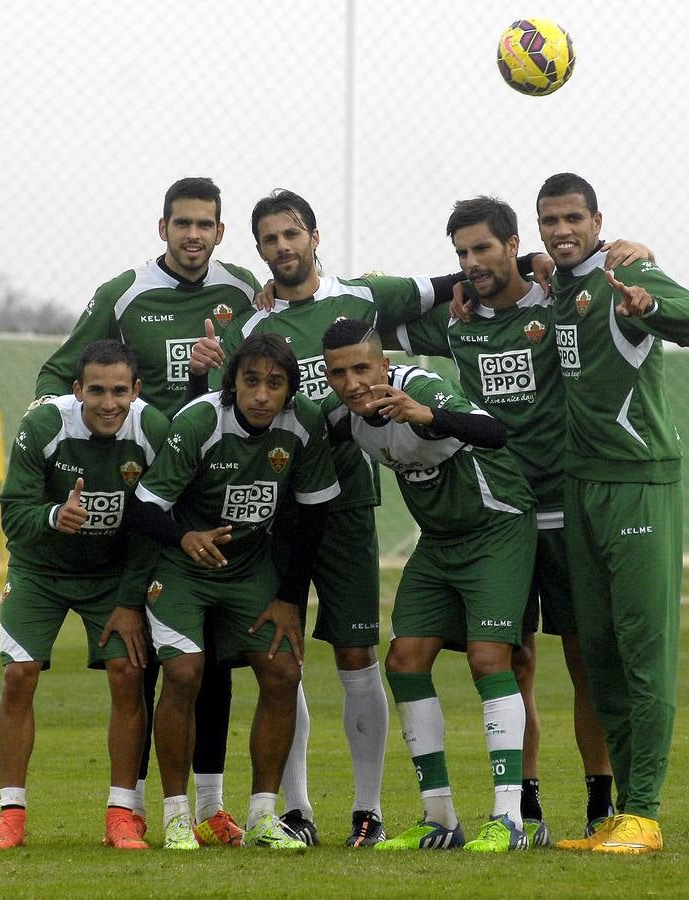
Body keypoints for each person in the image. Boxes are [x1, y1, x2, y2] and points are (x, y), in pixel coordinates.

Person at [188, 189, 511, 846]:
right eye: (270, 239)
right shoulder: (247, 331)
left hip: (347, 506)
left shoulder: (360, 298)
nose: (283, 247)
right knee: (280, 657)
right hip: (274, 512)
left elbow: (461, 278)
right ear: (257, 251)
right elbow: (220, 414)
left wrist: (537, 261)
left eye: (292, 234)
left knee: (358, 653)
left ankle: (368, 811)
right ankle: (298, 809)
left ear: (313, 235)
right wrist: (200, 378)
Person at [389, 196, 654, 845]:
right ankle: (526, 808)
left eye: (483, 248)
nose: (473, 264)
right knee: (515, 659)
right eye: (462, 254)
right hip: (502, 514)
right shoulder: (455, 324)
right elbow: (373, 325)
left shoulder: (553, 297)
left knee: (584, 659)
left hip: (566, 505)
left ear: (512, 245)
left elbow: (596, 272)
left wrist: (635, 253)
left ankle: (600, 803)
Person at [33, 177, 258, 847]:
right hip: (145, 496)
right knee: (145, 658)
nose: (193, 234)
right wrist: (58, 448)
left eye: (206, 224)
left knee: (212, 661)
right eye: (182, 222)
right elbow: (56, 377)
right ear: (162, 228)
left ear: (220, 233)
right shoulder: (122, 294)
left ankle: (212, 805)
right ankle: (126, 808)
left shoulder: (243, 289)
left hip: (212, 492)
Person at [535, 172, 689, 855]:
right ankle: (617, 812)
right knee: (600, 655)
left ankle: (645, 811)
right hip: (580, 487)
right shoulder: (555, 285)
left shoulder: (627, 271)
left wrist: (648, 296)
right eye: (548, 220)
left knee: (644, 651)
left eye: (571, 218)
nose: (560, 230)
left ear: (597, 220)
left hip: (638, 483)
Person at [320, 318, 537, 854]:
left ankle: (509, 818)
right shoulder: (342, 417)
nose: (353, 383)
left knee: (489, 659)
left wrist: (429, 417)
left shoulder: (420, 388)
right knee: (405, 659)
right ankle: (439, 817)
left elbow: (494, 432)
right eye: (339, 374)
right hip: (440, 543)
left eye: (362, 369)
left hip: (496, 527)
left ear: (384, 366)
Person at [129, 332, 340, 851]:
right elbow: (143, 507)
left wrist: (290, 599)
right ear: (233, 384)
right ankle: (178, 815)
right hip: (185, 566)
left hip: (251, 570)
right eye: (251, 381)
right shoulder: (200, 420)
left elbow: (313, 514)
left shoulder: (304, 424)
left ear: (290, 390)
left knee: (284, 670)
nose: (262, 395)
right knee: (183, 672)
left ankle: (265, 815)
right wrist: (186, 537)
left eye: (275, 383)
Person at [0, 339, 169, 851]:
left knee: (128, 674)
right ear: (76, 390)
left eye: (118, 392)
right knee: (18, 675)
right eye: (96, 391)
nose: (108, 404)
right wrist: (52, 516)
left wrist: (130, 601)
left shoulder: (152, 430)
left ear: (136, 390)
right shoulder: (43, 427)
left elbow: (157, 525)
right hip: (41, 570)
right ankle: (11, 817)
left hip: (111, 577)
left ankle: (121, 816)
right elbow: (13, 515)